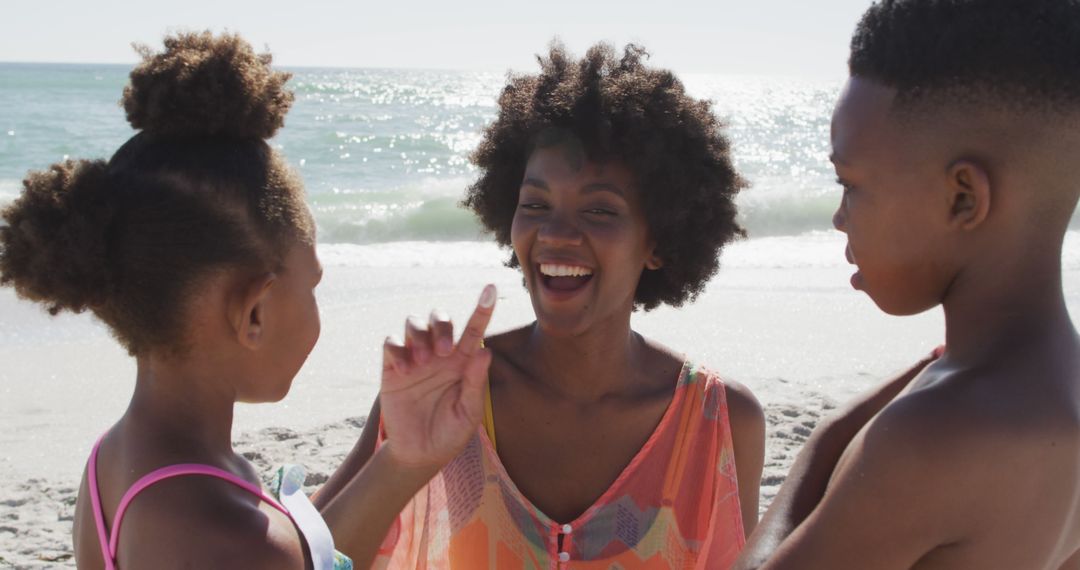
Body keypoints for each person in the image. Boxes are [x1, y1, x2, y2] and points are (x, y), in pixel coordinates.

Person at [0, 32, 495, 569]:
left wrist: (401, 455)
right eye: (312, 286)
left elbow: (305, 553)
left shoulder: (120, 461)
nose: (315, 308)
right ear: (254, 313)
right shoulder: (225, 537)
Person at [317, 42, 766, 569]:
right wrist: (401, 462)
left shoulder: (719, 424)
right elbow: (309, 559)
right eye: (535, 204)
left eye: (599, 210)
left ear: (659, 241)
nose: (554, 234)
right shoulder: (445, 393)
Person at [736, 0, 1080, 568]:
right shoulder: (1062, 391)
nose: (838, 217)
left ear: (962, 197)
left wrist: (822, 446)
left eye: (850, 184)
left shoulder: (930, 435)